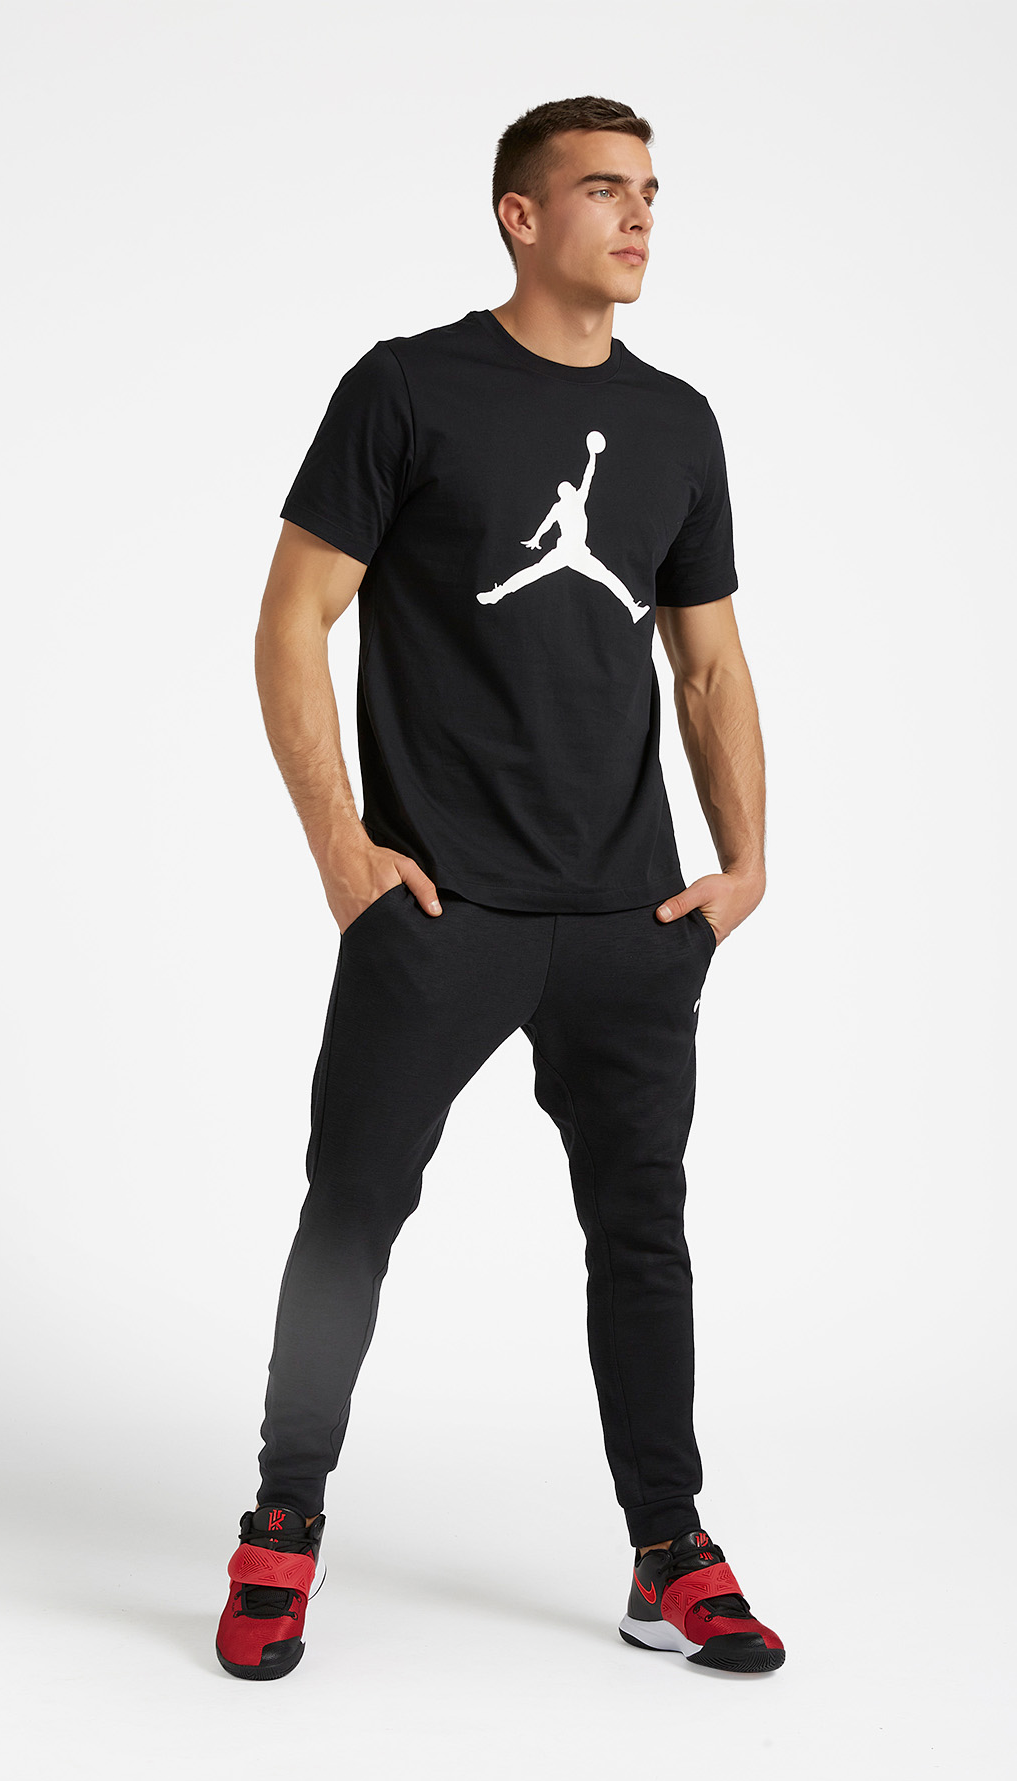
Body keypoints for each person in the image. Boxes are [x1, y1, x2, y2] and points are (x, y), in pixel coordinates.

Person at [216, 95, 784, 1681]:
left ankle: (668, 1549)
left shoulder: (678, 422)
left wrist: (743, 865)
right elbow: (291, 618)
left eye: (651, 190)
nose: (641, 215)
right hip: (441, 911)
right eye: (604, 189)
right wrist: (345, 853)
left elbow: (709, 660)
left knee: (642, 1233)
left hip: (627, 921)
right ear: (520, 217)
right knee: (352, 1210)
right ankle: (282, 1523)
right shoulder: (406, 391)